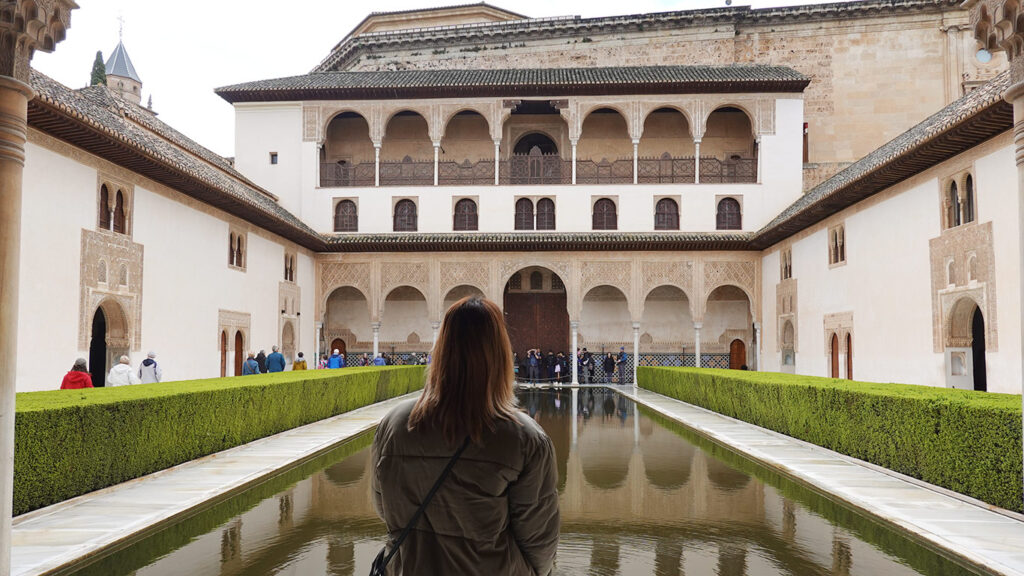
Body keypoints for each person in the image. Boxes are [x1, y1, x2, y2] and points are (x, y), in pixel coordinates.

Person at [371, 296, 559, 575]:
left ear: (441, 350)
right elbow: (539, 544)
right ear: (500, 355)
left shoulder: (394, 425)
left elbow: (385, 508)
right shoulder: (524, 439)